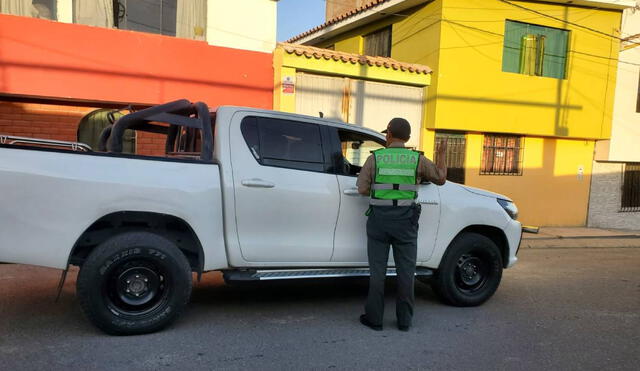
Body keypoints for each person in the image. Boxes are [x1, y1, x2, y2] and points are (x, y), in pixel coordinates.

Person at [356, 117, 447, 331]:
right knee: (406, 272)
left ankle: (375, 319)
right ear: (407, 137)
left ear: (388, 134)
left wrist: (381, 194)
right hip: (406, 222)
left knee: (377, 272)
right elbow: (441, 179)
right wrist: (441, 155)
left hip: (379, 220)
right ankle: (404, 321)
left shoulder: (375, 158)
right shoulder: (417, 159)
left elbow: (361, 188)